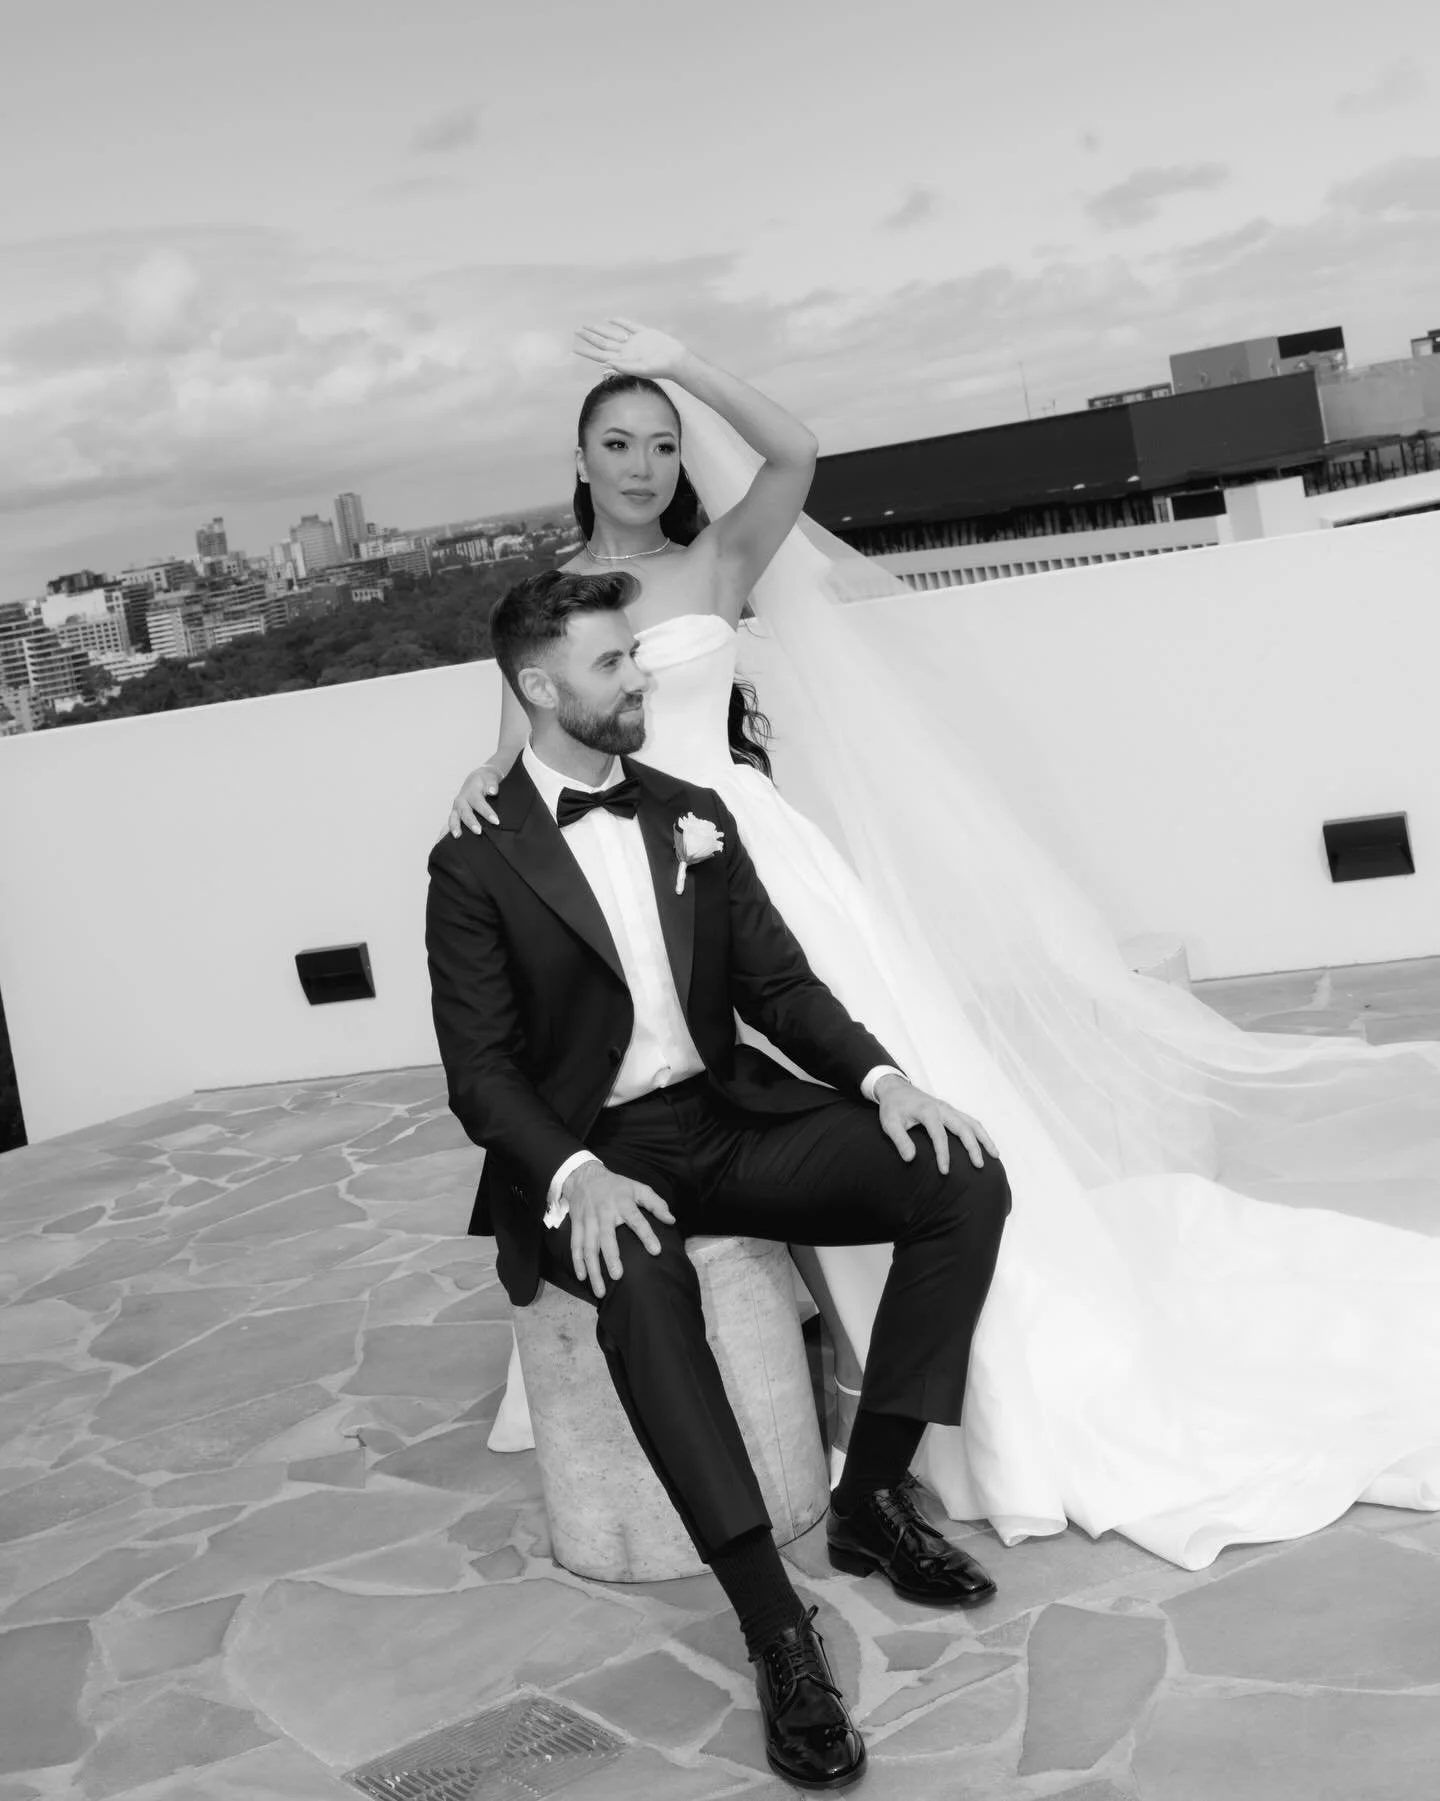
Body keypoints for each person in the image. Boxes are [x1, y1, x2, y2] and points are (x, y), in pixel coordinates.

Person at [451, 320, 1440, 1573]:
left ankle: (946, 1415)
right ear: (580, 458)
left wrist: (684, 358)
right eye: (617, 443)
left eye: (661, 442)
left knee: (903, 1108)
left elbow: (799, 450)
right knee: (669, 1096)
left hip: (742, 863)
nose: (643, 464)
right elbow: (517, 752)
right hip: (634, 901)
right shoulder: (549, 604)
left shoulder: (718, 559)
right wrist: (476, 785)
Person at [426, 568, 1011, 1790]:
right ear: (538, 688)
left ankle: (872, 1498)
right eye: (609, 665)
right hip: (601, 1151)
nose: (637, 678)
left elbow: (779, 989)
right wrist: (574, 1173)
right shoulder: (474, 864)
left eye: (634, 656)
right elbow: (480, 1074)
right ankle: (773, 1626)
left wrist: (886, 1079)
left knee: (961, 1176)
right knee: (643, 1291)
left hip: (726, 1118)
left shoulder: (691, 811)